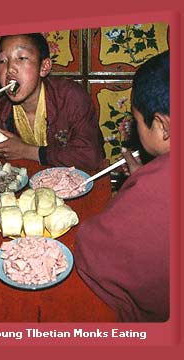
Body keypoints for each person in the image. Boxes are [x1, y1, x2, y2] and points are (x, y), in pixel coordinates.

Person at [74, 50, 170, 322]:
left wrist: (143, 187)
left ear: (162, 126)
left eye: (137, 120)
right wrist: (146, 177)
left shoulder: (157, 187)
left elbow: (92, 249)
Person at [0, 33, 105, 171]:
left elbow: (90, 157)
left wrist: (27, 151)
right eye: (2, 61)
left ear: (44, 67)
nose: (9, 68)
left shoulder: (71, 97)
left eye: (21, 58)